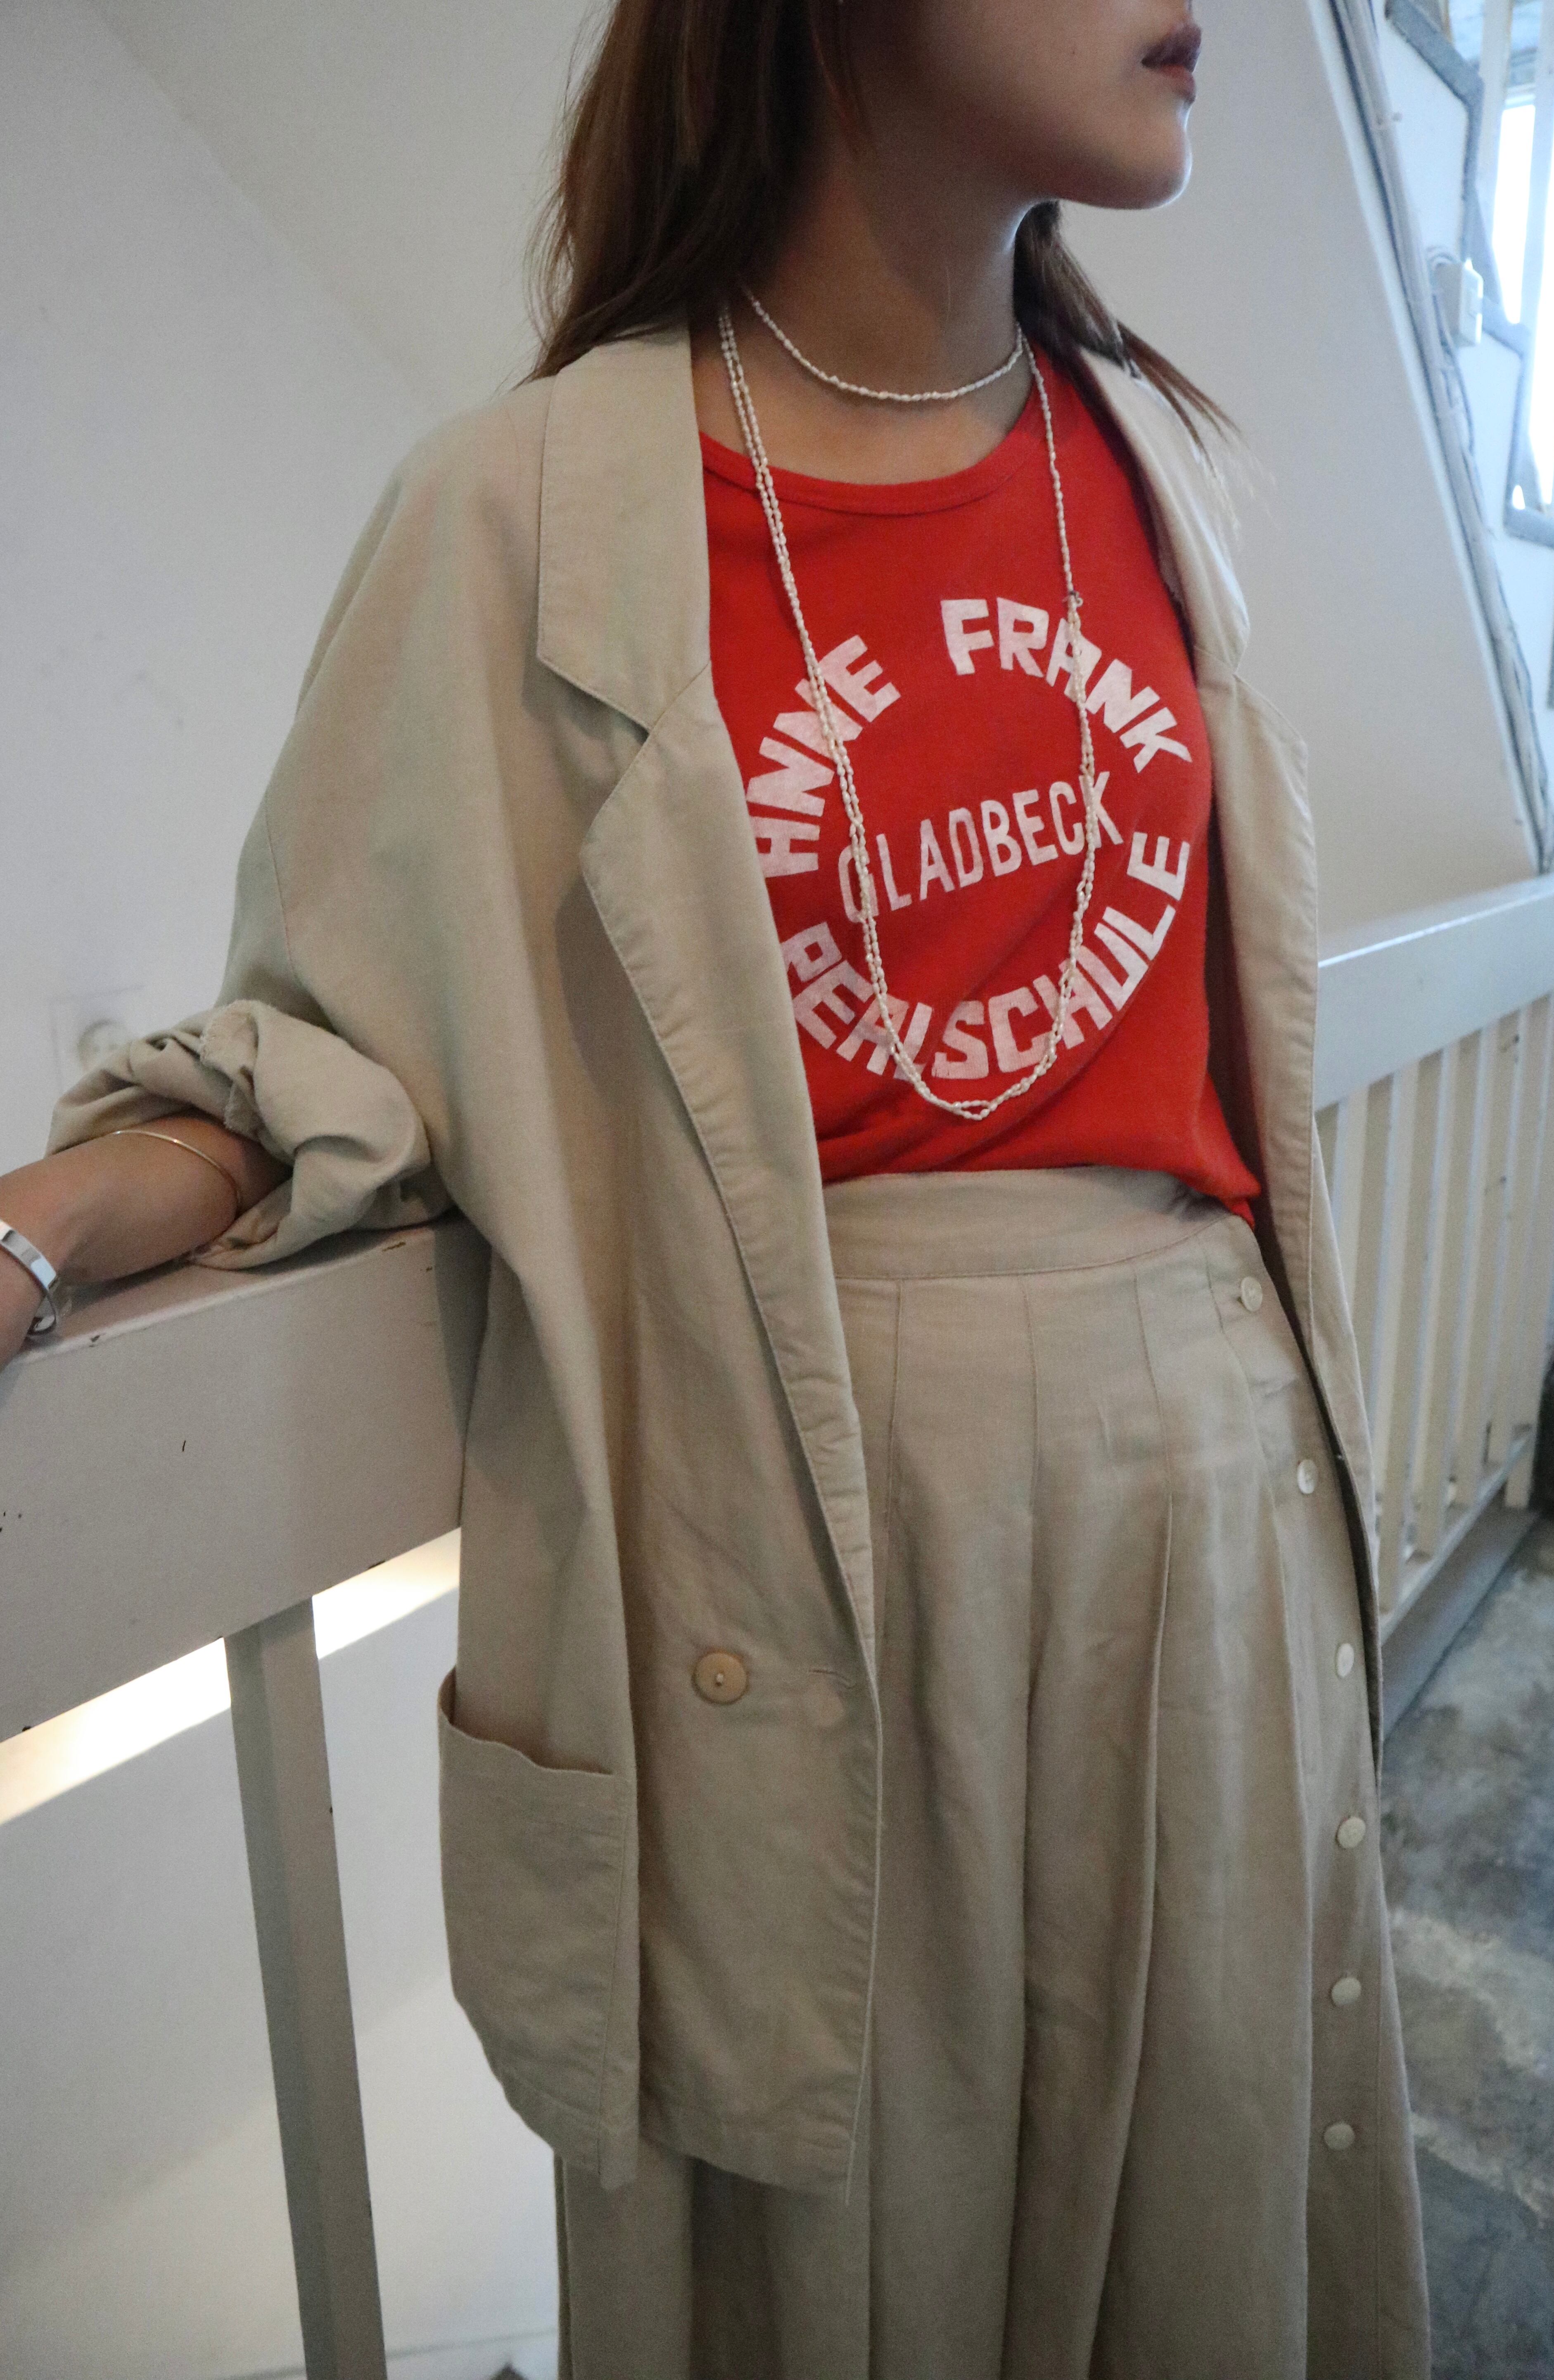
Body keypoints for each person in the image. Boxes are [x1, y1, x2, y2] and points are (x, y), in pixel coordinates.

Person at [0, 0, 1431, 2371]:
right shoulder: (522, 515)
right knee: (828, 2259)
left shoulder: (1145, 457)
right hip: (805, 1553)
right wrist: (53, 1221)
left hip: (1207, 1537)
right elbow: (340, 1026)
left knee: (1205, 2226)